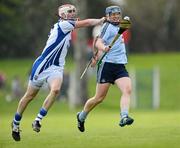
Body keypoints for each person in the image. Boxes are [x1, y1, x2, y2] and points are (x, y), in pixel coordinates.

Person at [11, 4, 105, 141]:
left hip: (56, 68)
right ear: (62, 15)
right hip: (42, 66)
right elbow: (87, 23)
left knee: (55, 90)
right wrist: (101, 20)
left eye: (74, 11)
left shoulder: (67, 27)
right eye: (70, 11)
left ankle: (38, 120)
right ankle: (15, 123)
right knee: (29, 96)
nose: (73, 13)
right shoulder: (64, 25)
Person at [77, 6, 134, 132]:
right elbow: (98, 42)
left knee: (127, 89)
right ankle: (81, 116)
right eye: (113, 15)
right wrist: (103, 48)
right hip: (107, 65)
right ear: (108, 16)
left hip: (120, 66)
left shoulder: (120, 25)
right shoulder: (107, 27)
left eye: (117, 14)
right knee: (99, 98)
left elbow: (126, 23)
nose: (116, 16)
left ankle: (124, 116)